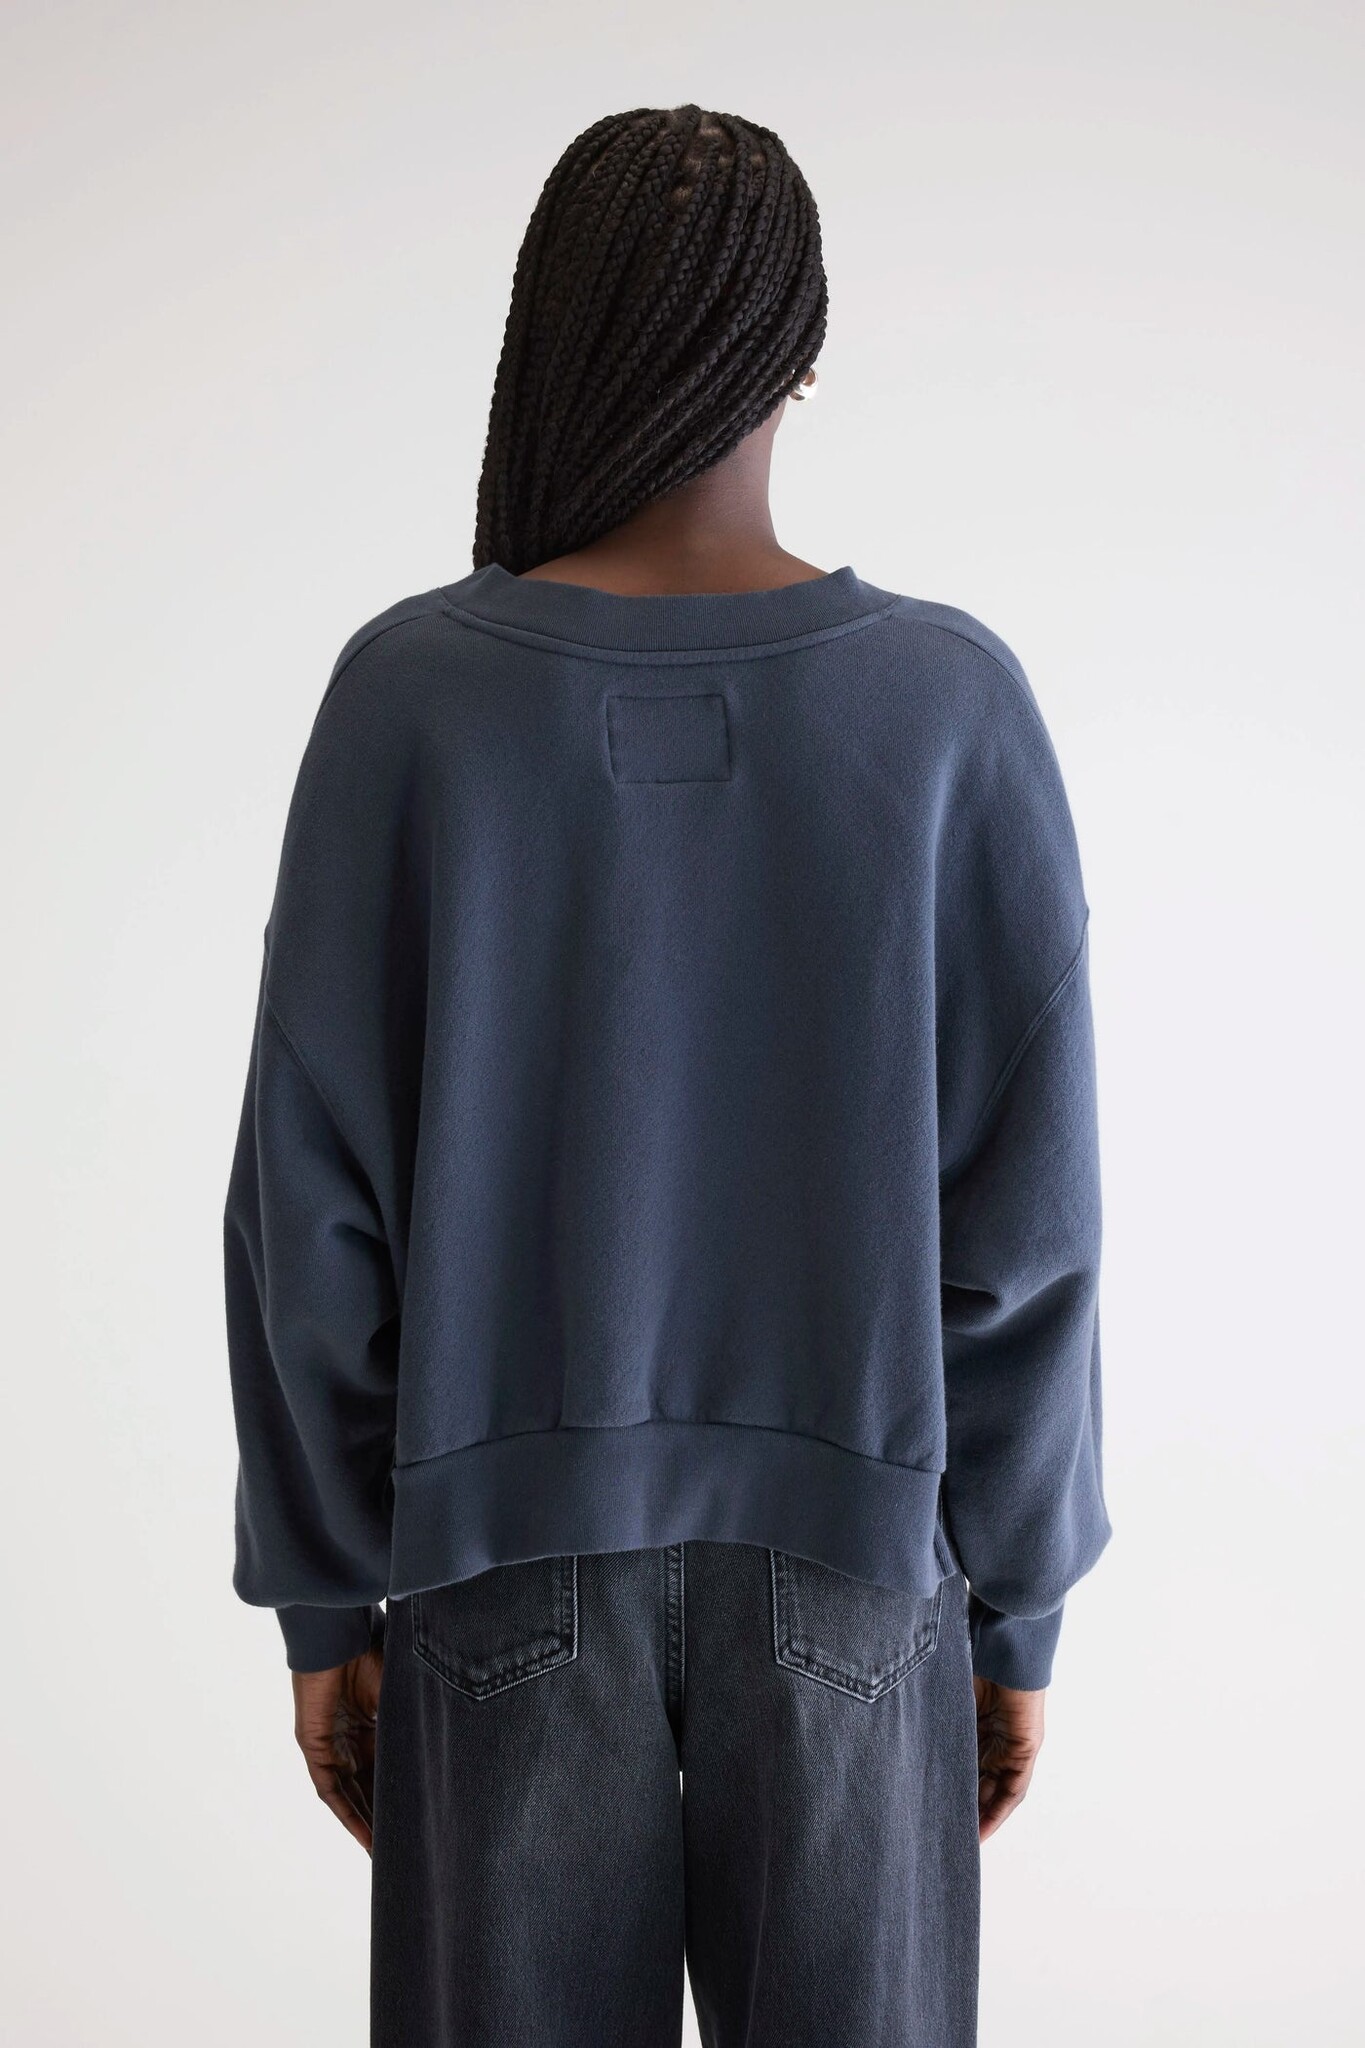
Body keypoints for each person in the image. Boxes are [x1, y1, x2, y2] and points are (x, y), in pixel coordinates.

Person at [223, 103, 1110, 2048]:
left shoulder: (412, 697)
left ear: (544, 332)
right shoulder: (946, 705)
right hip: (858, 1573)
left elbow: (310, 1209)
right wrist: (1015, 1602)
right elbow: (1026, 1235)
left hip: (497, 1569)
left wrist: (325, 1594)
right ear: (802, 357)